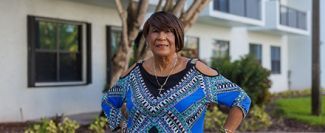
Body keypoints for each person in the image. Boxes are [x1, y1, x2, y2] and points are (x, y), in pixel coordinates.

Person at [102, 11, 251, 133]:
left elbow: (241, 99)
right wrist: (119, 127)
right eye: (155, 31)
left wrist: (227, 131)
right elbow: (109, 101)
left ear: (178, 37)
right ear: (147, 37)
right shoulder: (135, 73)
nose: (161, 37)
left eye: (168, 32)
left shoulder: (198, 73)